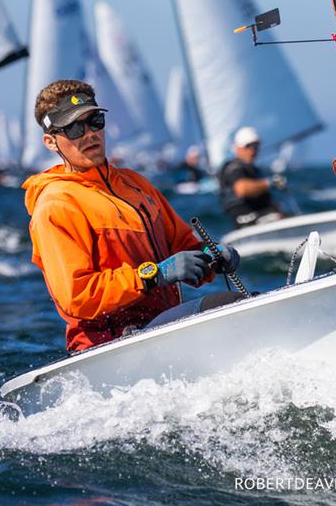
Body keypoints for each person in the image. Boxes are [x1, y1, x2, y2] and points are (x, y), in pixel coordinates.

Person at [22, 79, 242, 352]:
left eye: (95, 121)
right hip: (106, 347)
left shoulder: (136, 184)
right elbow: (76, 297)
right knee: (226, 305)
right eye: (74, 128)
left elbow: (184, 247)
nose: (89, 133)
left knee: (243, 307)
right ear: (50, 141)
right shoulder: (56, 204)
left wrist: (212, 257)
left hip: (158, 330)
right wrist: (153, 275)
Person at [218, 126, 287, 228]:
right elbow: (242, 189)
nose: (253, 150)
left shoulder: (253, 170)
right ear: (238, 148)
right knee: (278, 218)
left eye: (256, 146)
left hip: (260, 216)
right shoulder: (234, 168)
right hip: (245, 219)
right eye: (248, 146)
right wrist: (270, 183)